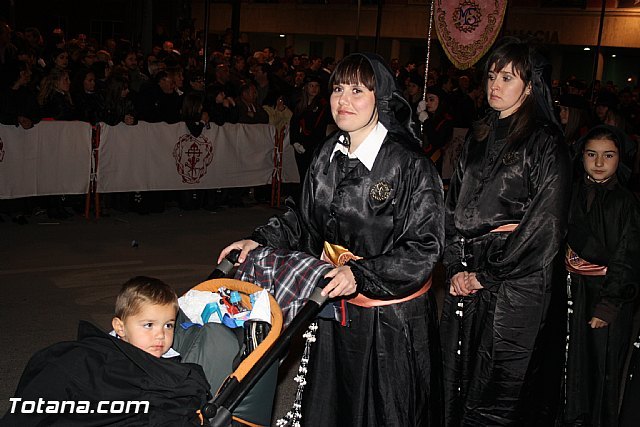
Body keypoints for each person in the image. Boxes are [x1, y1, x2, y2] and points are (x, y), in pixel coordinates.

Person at [219, 52, 444, 426]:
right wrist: (258, 240)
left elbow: (424, 247)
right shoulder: (328, 154)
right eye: (338, 88)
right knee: (334, 405)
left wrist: (363, 274)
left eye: (357, 90)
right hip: (335, 307)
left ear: (381, 97)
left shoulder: (410, 165)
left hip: (390, 321)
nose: (343, 100)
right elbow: (304, 221)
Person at [439, 38, 572, 426]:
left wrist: (488, 273)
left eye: (507, 77)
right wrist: (454, 265)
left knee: (501, 381)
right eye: (492, 75)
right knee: (457, 371)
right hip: (466, 268)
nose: (495, 84)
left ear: (529, 87)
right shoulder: (477, 137)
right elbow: (453, 205)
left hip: (518, 278)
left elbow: (547, 222)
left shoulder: (544, 141)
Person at [1, 276, 209, 426]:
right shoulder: (98, 356)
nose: (160, 335)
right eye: (148, 325)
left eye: (168, 325)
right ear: (120, 328)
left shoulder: (173, 363)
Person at [563, 124, 640, 427]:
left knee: (601, 365)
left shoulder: (626, 203)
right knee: (572, 360)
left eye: (608, 155)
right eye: (591, 154)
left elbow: (628, 257)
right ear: (581, 156)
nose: (598, 163)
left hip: (606, 294)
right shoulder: (571, 192)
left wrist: (608, 305)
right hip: (574, 288)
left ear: (620, 158)